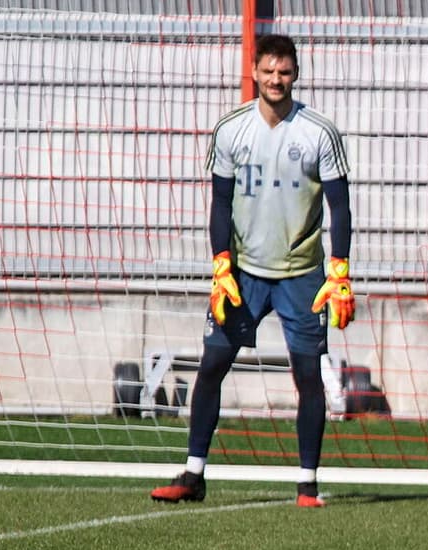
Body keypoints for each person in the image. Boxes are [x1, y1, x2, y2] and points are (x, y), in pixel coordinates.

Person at [151, 33, 354, 508]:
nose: (276, 79)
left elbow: (340, 209)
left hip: (302, 275)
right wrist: (221, 262)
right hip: (242, 275)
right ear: (255, 72)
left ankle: (307, 486)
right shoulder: (231, 130)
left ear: (296, 74)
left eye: (284, 72)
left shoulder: (319, 132)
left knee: (308, 374)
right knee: (213, 364)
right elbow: (220, 203)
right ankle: (193, 474)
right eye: (268, 71)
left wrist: (339, 271)